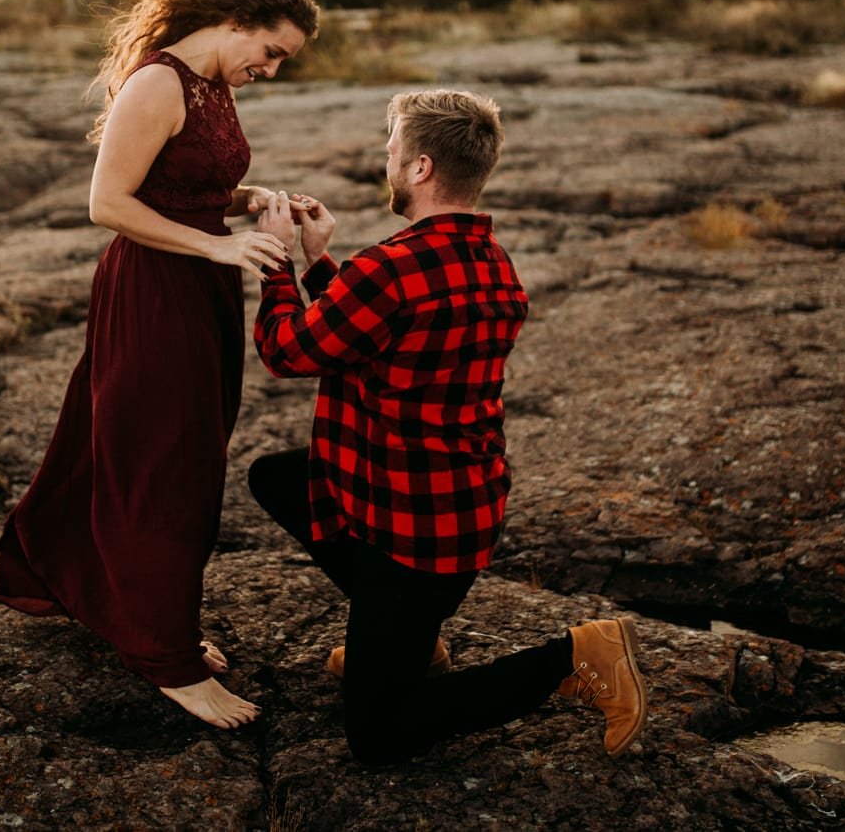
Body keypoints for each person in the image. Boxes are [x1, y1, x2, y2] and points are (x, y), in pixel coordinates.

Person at [248, 89, 648, 765]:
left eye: (392, 151)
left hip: (406, 539)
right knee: (280, 476)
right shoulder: (493, 265)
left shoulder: (389, 267)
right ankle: (412, 637)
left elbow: (289, 349)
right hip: (459, 518)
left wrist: (278, 263)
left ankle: (578, 655)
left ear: (422, 167)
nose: (387, 160)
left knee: (379, 737)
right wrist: (321, 264)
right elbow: (376, 330)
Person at [0, 0, 319, 729]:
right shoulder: (158, 82)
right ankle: (163, 653)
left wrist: (254, 200)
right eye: (269, 52)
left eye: (278, 63)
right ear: (237, 19)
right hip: (154, 289)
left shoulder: (211, 87)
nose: (268, 71)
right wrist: (215, 248)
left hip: (199, 287)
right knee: (162, 467)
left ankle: (115, 598)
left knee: (164, 452)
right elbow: (106, 202)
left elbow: (181, 184)